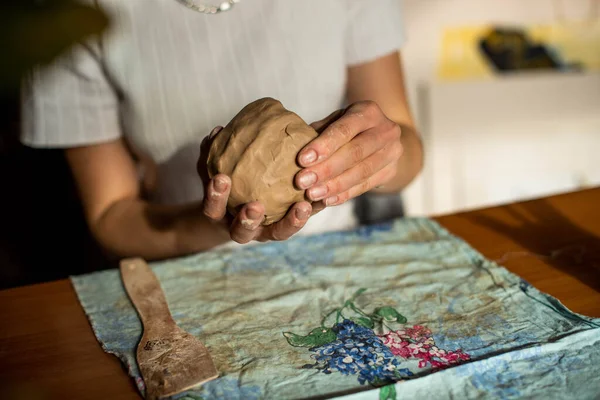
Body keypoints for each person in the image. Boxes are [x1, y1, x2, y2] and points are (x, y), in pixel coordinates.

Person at [20, 0, 423, 261]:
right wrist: (207, 225)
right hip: (182, 267)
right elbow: (110, 216)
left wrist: (383, 155)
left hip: (335, 256)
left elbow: (407, 147)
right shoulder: (62, 16)